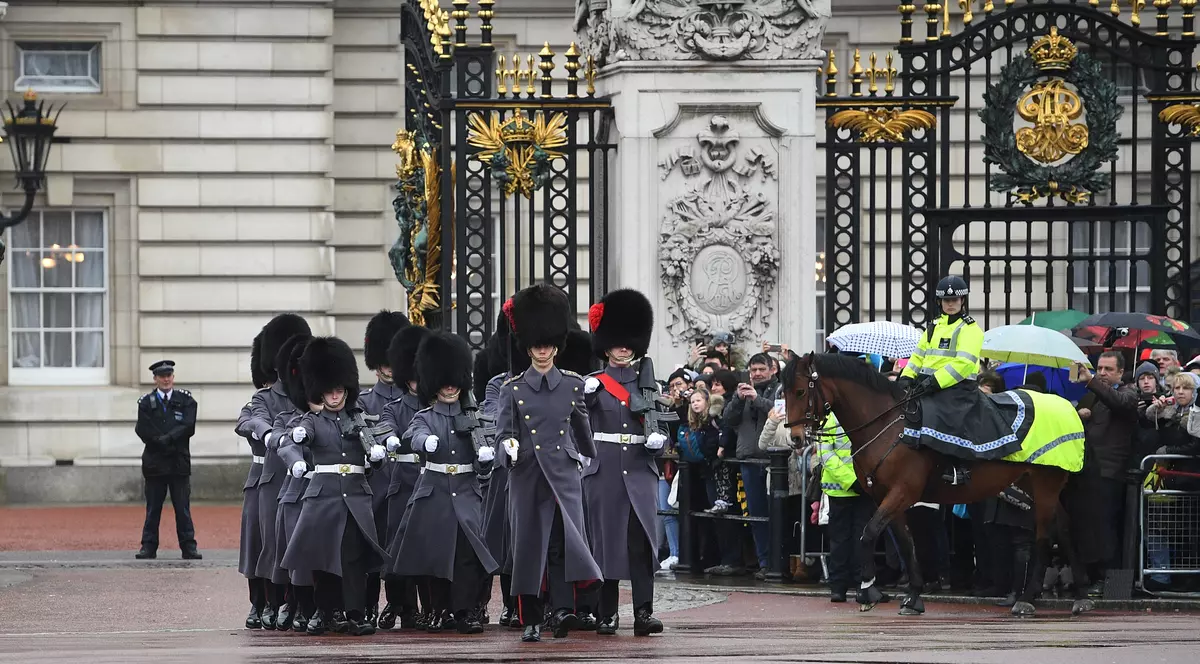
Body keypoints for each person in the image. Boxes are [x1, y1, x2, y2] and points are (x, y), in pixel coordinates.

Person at [495, 284, 602, 642]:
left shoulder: (572, 385)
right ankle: (530, 618)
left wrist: (588, 457)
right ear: (528, 347)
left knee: (562, 544)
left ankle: (562, 610)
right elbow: (503, 431)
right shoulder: (513, 388)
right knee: (529, 548)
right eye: (536, 345)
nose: (542, 350)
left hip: (563, 473)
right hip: (527, 473)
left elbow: (582, 427)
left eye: (547, 344)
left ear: (556, 346)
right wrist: (506, 446)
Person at [279, 336, 392, 636]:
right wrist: (298, 447)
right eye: (329, 391)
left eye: (339, 390)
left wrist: (379, 455)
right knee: (325, 559)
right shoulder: (313, 421)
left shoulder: (359, 419)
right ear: (320, 392)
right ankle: (327, 611)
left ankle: (355, 614)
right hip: (325, 497)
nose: (334, 396)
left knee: (353, 559)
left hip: (355, 496)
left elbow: (374, 452)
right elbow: (296, 436)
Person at [388, 331, 499, 634]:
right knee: (436, 557)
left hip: (465, 491)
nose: (450, 387)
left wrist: (487, 457)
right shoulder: (426, 416)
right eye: (444, 381)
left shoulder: (473, 417)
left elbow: (484, 458)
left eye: (454, 381)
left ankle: (464, 612)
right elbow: (412, 435)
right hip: (434, 492)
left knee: (465, 556)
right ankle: (439, 609)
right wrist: (426, 443)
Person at [581, 288, 667, 636]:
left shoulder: (648, 385)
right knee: (606, 542)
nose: (623, 348)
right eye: (617, 342)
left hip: (639, 470)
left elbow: (662, 429)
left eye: (628, 342)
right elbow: (576, 431)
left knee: (640, 542)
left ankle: (644, 612)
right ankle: (607, 613)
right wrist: (584, 402)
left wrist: (659, 441)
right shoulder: (593, 385)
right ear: (607, 344)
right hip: (604, 472)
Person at [235, 312, 311, 629]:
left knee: (297, 545)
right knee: (263, 547)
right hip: (268, 478)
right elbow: (247, 421)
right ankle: (263, 602)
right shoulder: (264, 397)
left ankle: (295, 603)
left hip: (300, 479)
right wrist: (267, 433)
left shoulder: (308, 395)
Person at [899, 275, 1004, 486]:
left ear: (962, 301)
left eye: (954, 300)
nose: (950, 304)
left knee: (948, 416)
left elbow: (963, 364)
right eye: (946, 300)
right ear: (940, 302)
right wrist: (906, 377)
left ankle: (959, 466)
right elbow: (918, 356)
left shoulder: (970, 329)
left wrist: (934, 382)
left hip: (957, 387)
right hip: (927, 384)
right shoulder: (933, 326)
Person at [1067, 351, 1139, 596]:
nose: (1103, 373)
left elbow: (1118, 402)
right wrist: (1081, 416)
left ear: (1120, 372)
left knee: (1110, 529)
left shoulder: (1130, 392)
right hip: (1088, 472)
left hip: (1111, 473)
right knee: (1090, 529)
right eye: (1099, 368)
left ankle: (1116, 588)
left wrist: (1091, 381)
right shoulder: (1092, 396)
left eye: (1109, 369)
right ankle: (1091, 578)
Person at [357, 310, 411, 627]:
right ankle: (368, 605)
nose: (389, 367)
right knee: (371, 546)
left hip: (403, 481)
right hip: (375, 481)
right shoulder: (364, 402)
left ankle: (401, 604)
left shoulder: (412, 401)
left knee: (401, 546)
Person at [378, 324, 432, 630]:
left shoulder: (435, 406)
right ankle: (402, 605)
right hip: (402, 482)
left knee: (426, 548)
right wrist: (390, 440)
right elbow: (386, 424)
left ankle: (430, 606)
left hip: (429, 483)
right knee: (396, 551)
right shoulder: (394, 407)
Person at [134, 360, 200, 561]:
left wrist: (169, 438)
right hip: (155, 463)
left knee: (183, 509)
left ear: (173, 377)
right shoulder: (146, 402)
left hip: (178, 463)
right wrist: (160, 441)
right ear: (155, 379)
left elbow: (189, 426)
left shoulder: (186, 400)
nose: (166, 379)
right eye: (162, 376)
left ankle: (189, 548)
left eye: (169, 375)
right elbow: (142, 429)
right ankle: (148, 547)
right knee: (153, 509)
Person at [722, 352, 781, 579]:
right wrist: (738, 398)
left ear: (772, 369)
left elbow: (780, 413)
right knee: (756, 515)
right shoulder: (743, 392)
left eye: (761, 370)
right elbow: (728, 419)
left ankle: (777, 562)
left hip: (773, 461)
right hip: (748, 458)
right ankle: (763, 561)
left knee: (776, 514)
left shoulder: (779, 389)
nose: (757, 374)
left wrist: (756, 398)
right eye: (753, 370)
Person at [237, 333, 270, 627]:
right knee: (255, 543)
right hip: (260, 479)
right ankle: (257, 603)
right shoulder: (256, 404)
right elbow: (244, 424)